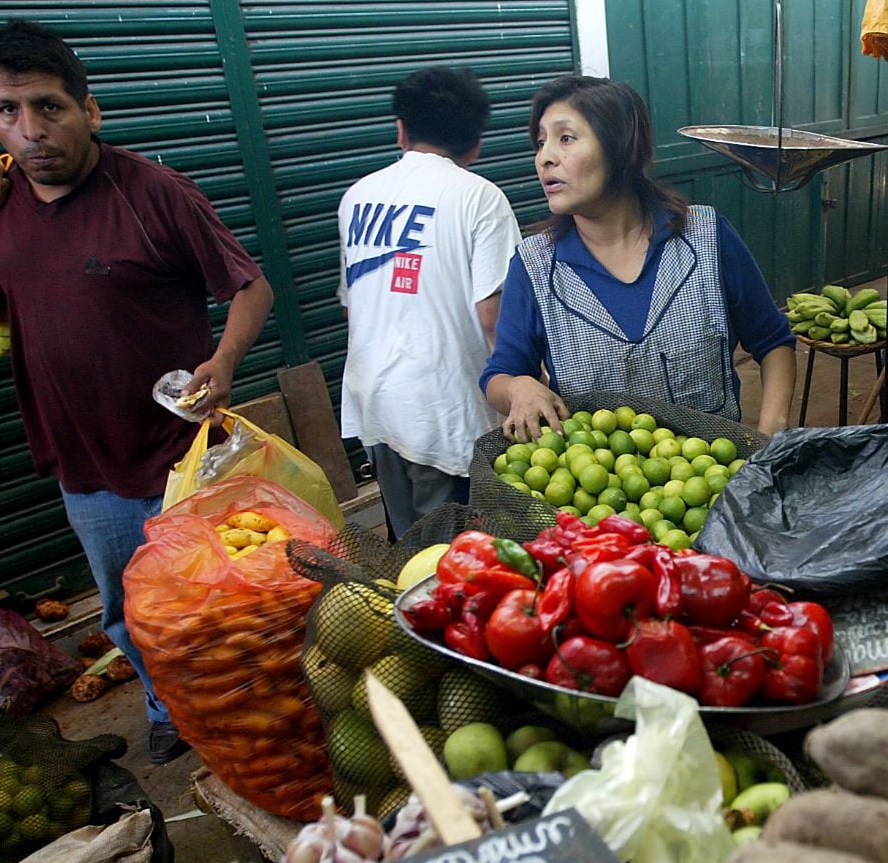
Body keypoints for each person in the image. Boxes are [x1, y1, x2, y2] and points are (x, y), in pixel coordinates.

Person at [0, 20, 273, 764]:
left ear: (90, 110)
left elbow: (250, 286)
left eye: (49, 106)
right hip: (85, 465)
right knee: (130, 610)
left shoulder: (152, 193)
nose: (31, 131)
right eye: (7, 111)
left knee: (222, 602)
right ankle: (167, 712)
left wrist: (223, 361)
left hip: (183, 455)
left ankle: (252, 712)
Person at [479, 76, 797, 440]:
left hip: (719, 478)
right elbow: (499, 374)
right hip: (603, 494)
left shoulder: (707, 238)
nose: (545, 157)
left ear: (620, 147)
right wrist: (518, 387)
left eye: (565, 138)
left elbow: (773, 342)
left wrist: (770, 436)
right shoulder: (534, 267)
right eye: (540, 142)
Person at [337, 66, 520, 537]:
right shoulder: (480, 197)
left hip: (374, 398)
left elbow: (352, 306)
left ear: (401, 129)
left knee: (405, 541)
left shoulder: (357, 197)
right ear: (475, 142)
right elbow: (492, 316)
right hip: (443, 406)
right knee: (453, 557)